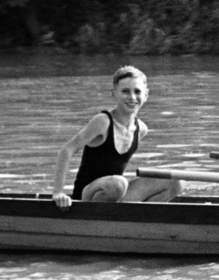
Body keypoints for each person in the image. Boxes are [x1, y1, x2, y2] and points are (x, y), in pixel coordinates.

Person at [52, 66, 183, 208]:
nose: (132, 97)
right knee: (118, 184)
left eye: (137, 91)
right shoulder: (103, 122)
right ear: (114, 94)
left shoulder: (141, 129)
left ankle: (138, 220)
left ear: (146, 95)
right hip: (88, 194)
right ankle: (95, 218)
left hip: (116, 193)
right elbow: (66, 150)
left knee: (175, 182)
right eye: (125, 91)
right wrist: (58, 192)